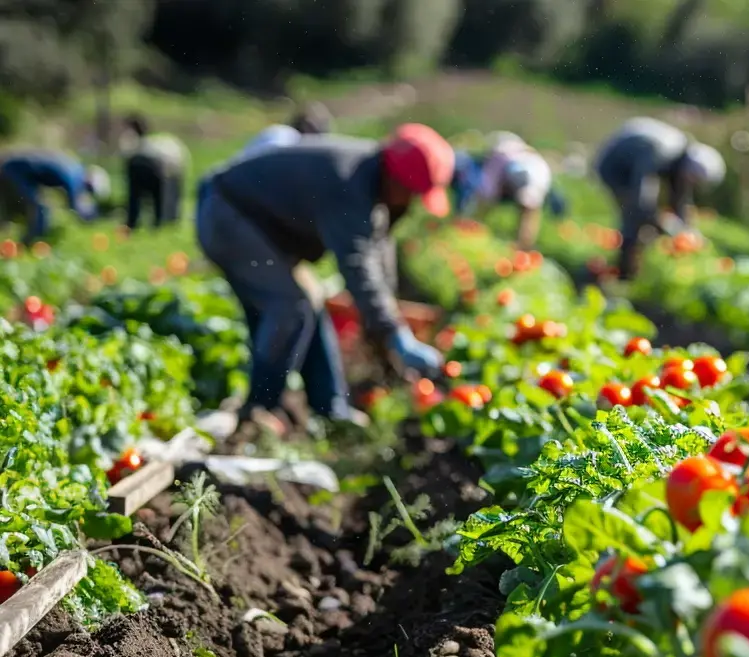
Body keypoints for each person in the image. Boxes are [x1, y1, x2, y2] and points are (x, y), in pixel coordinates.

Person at [195, 123, 453, 431]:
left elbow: (379, 253)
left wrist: (388, 321)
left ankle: (330, 408)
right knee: (289, 306)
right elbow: (357, 263)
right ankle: (260, 407)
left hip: (259, 225)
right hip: (228, 215)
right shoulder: (349, 182)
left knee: (308, 300)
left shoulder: (372, 180)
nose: (411, 201)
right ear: (395, 178)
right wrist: (393, 332)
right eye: (411, 192)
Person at [593, 117, 725, 279]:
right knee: (634, 215)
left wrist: (687, 230)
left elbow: (681, 197)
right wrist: (664, 223)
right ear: (688, 169)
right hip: (616, 167)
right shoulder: (660, 151)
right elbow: (642, 201)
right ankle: (624, 271)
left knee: (650, 220)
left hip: (636, 163)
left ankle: (638, 266)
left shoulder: (682, 157)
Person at [451, 133, 566, 249]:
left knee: (527, 214)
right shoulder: (520, 154)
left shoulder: (503, 156)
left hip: (526, 176)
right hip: (534, 176)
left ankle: (520, 247)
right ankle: (521, 247)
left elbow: (488, 188)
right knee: (528, 213)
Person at [0, 150, 109, 246]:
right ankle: (27, 245)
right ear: (89, 183)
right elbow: (74, 205)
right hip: (14, 170)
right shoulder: (74, 176)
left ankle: (24, 243)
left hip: (19, 170)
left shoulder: (75, 168)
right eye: (90, 190)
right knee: (40, 209)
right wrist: (90, 218)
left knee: (40, 207)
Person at [122, 114, 190, 230]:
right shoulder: (154, 143)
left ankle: (134, 223)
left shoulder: (139, 144)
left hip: (153, 166)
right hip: (160, 167)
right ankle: (159, 223)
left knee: (136, 197)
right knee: (158, 198)